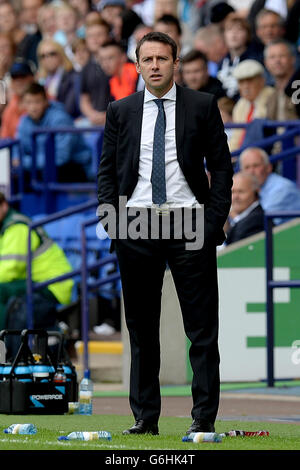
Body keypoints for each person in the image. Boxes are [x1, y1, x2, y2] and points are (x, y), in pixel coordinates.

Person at [97, 31, 233, 435]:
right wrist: (112, 221)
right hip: (136, 223)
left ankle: (203, 419)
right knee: (141, 330)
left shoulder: (203, 105)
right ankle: (145, 419)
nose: (154, 65)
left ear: (176, 64)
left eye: (162, 58)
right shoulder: (119, 111)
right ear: (137, 65)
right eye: (147, 59)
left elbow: (223, 167)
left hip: (189, 221)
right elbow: (106, 171)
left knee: (202, 330)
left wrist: (211, 223)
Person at [0, 192, 74, 336]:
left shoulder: (17, 227)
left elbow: (10, 270)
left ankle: (5, 351)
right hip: (35, 283)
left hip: (53, 285)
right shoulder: (5, 227)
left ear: (4, 205)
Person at [17, 82, 92, 183]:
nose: (33, 107)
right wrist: (17, 159)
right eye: (29, 102)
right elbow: (17, 150)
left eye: (37, 102)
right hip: (43, 167)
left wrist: (24, 162)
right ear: (23, 104)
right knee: (17, 176)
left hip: (74, 167)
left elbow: (61, 157)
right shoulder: (24, 121)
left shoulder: (60, 119)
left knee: (53, 171)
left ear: (45, 102)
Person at [239, 146, 300, 224]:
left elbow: (258, 223)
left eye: (256, 166)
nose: (251, 172)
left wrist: (232, 213)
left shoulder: (282, 188)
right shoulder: (248, 189)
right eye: (247, 167)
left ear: (268, 167)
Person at [228, 59, 276, 151]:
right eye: (241, 82)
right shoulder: (241, 105)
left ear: (262, 81)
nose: (245, 86)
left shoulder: (272, 97)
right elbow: (236, 138)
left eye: (250, 81)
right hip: (242, 156)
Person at [217, 13, 262, 100]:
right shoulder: (222, 62)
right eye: (229, 29)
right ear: (224, 35)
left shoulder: (255, 59)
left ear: (247, 34)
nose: (234, 34)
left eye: (239, 29)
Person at [79, 17, 112, 126]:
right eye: (90, 36)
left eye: (99, 35)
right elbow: (84, 99)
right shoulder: (86, 68)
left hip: (116, 119)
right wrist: (92, 115)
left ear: (108, 36)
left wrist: (108, 115)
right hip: (93, 120)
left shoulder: (120, 62)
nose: (95, 39)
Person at [225, 171, 264, 245]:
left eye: (241, 192)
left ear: (256, 192)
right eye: (232, 192)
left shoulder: (256, 220)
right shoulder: (242, 219)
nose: (235, 197)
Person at [264, 39, 300, 119]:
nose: (277, 61)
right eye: (272, 57)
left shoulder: (297, 87)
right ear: (266, 63)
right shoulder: (269, 94)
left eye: (282, 56)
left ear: (292, 59)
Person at [0, 59, 35, 139]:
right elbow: (4, 137)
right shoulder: (12, 104)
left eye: (22, 76)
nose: (18, 81)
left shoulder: (43, 99)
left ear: (32, 77)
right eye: (15, 77)